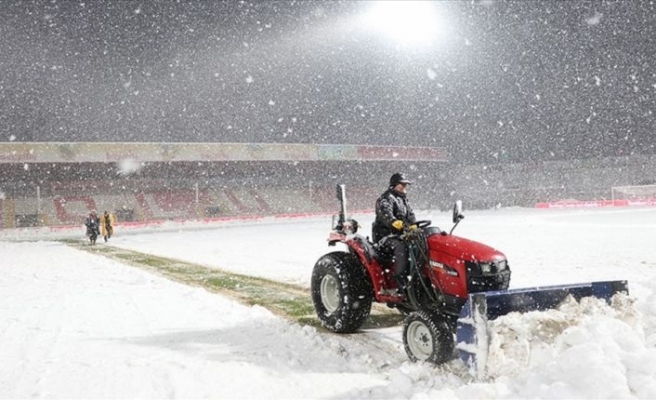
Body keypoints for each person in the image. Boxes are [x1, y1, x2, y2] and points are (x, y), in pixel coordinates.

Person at [372, 172, 417, 293]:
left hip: (401, 234)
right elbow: (385, 215)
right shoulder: (386, 199)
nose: (404, 187)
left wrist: (414, 226)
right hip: (386, 237)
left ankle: (417, 277)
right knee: (401, 247)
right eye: (401, 185)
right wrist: (395, 223)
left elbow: (411, 216)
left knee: (420, 245)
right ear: (394, 185)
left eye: (405, 185)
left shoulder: (404, 200)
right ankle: (400, 279)